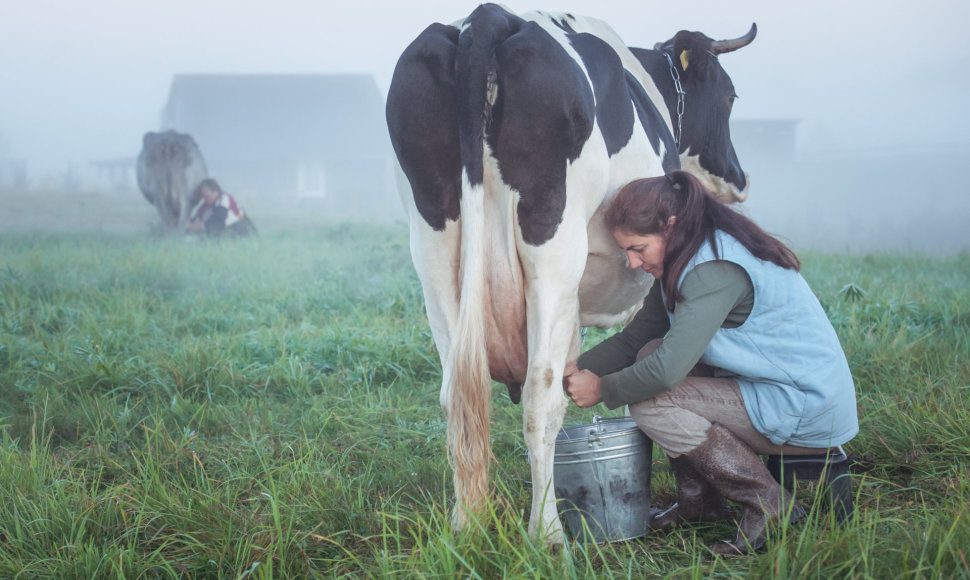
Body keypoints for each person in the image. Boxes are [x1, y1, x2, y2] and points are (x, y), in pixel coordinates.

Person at [563, 170, 858, 556]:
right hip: (775, 391)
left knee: (652, 399)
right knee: (647, 351)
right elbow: (635, 340)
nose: (633, 263)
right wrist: (561, 371)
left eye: (638, 248)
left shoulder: (712, 270)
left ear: (670, 226)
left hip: (803, 407)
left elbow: (669, 370)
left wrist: (603, 389)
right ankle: (701, 503)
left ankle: (770, 504)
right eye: (627, 253)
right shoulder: (688, 255)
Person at [186, 178, 257, 237]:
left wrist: (191, 226)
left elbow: (213, 225)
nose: (205, 198)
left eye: (206, 195)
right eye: (203, 196)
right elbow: (199, 218)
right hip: (229, 231)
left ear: (215, 192)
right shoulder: (208, 204)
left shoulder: (224, 200)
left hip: (241, 231)